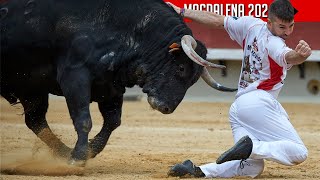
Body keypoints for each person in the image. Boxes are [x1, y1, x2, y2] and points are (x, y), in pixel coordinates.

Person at [166, 0, 311, 178]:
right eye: (282, 27)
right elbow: (289, 56)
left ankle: (199, 170)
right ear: (269, 23)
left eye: (291, 26)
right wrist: (300, 55)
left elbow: (217, 20)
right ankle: (252, 147)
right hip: (258, 103)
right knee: (299, 152)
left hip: (238, 109)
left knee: (251, 167)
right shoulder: (275, 43)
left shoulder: (250, 24)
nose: (287, 32)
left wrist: (182, 11)